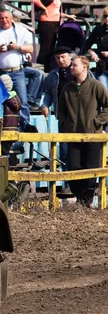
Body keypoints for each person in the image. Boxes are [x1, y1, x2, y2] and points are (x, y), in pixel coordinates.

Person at [58, 56, 108, 207]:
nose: (71, 67)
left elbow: (106, 106)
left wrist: (96, 122)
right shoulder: (67, 88)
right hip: (73, 136)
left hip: (92, 136)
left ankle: (86, 202)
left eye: (74, 65)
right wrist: (65, 124)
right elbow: (61, 110)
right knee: (73, 167)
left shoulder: (96, 86)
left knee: (91, 169)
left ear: (84, 67)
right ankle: (80, 199)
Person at [0, 9, 34, 127]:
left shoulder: (21, 31)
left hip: (17, 71)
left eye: (6, 17)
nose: (4, 20)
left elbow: (30, 48)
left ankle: (25, 130)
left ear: (11, 18)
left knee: (22, 102)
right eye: (1, 18)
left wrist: (17, 47)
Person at [33, 0, 76, 71]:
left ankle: (48, 69)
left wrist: (67, 16)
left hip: (54, 23)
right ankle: (41, 69)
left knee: (52, 48)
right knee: (45, 48)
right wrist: (44, 8)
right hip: (46, 23)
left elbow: (55, 10)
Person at [84, 6, 108, 89]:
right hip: (102, 68)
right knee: (104, 94)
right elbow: (86, 44)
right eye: (105, 16)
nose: (107, 18)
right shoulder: (98, 30)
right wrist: (92, 52)